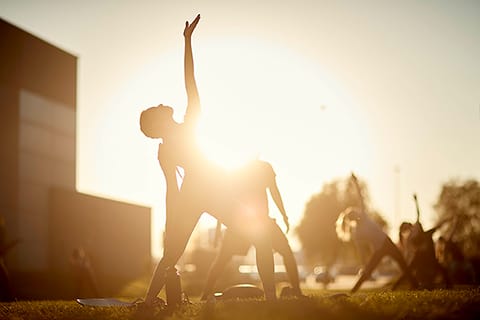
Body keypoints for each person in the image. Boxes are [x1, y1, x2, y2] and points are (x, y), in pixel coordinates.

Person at [139, 15, 276, 304]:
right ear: (157, 125)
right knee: (172, 253)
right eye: (156, 107)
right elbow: (170, 191)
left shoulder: (185, 128)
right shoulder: (174, 140)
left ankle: (150, 300)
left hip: (206, 191)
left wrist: (188, 42)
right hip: (202, 192)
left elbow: (190, 80)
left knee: (259, 236)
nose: (162, 103)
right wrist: (171, 226)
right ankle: (149, 300)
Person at [200, 160, 302, 300]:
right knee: (222, 259)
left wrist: (284, 215)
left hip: (255, 222)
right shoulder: (244, 172)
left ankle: (294, 291)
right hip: (245, 223)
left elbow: (224, 202)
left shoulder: (254, 169)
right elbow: (274, 191)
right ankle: (205, 295)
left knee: (286, 251)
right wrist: (284, 215)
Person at [336, 207, 418, 293]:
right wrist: (364, 264)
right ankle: (353, 291)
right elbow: (361, 250)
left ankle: (414, 284)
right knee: (369, 269)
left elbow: (361, 202)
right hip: (380, 248)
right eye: (354, 214)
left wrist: (359, 192)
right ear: (352, 219)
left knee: (402, 263)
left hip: (386, 244)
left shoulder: (364, 217)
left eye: (355, 213)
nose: (357, 214)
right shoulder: (357, 232)